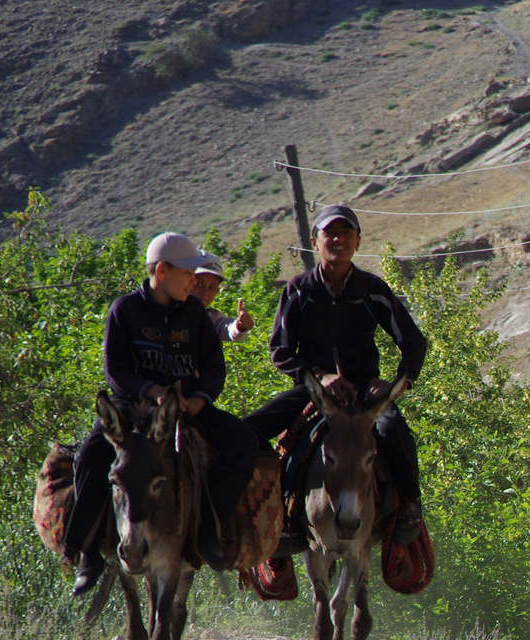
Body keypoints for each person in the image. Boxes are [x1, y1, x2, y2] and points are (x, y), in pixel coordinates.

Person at [63, 232, 259, 594]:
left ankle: (208, 534)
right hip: (132, 407)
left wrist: (198, 401)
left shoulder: (195, 313)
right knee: (91, 456)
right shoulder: (124, 310)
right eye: (188, 275)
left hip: (184, 407)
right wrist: (152, 392)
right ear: (163, 270)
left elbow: (214, 368)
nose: (194, 282)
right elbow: (117, 371)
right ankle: (85, 552)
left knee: (243, 443)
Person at [247, 204, 429, 544]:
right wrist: (317, 376)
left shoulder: (373, 289)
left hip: (363, 393)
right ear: (315, 242)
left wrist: (395, 384)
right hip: (313, 391)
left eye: (347, 233)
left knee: (395, 431)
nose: (339, 239)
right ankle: (276, 512)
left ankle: (410, 508)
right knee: (249, 432)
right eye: (330, 233)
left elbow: (414, 342)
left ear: (358, 242)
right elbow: (280, 350)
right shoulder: (298, 290)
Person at [191, 252, 255, 344]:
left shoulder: (211, 319)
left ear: (217, 291)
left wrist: (239, 326)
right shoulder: (169, 313)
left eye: (212, 288)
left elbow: (227, 328)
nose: (205, 292)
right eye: (198, 284)